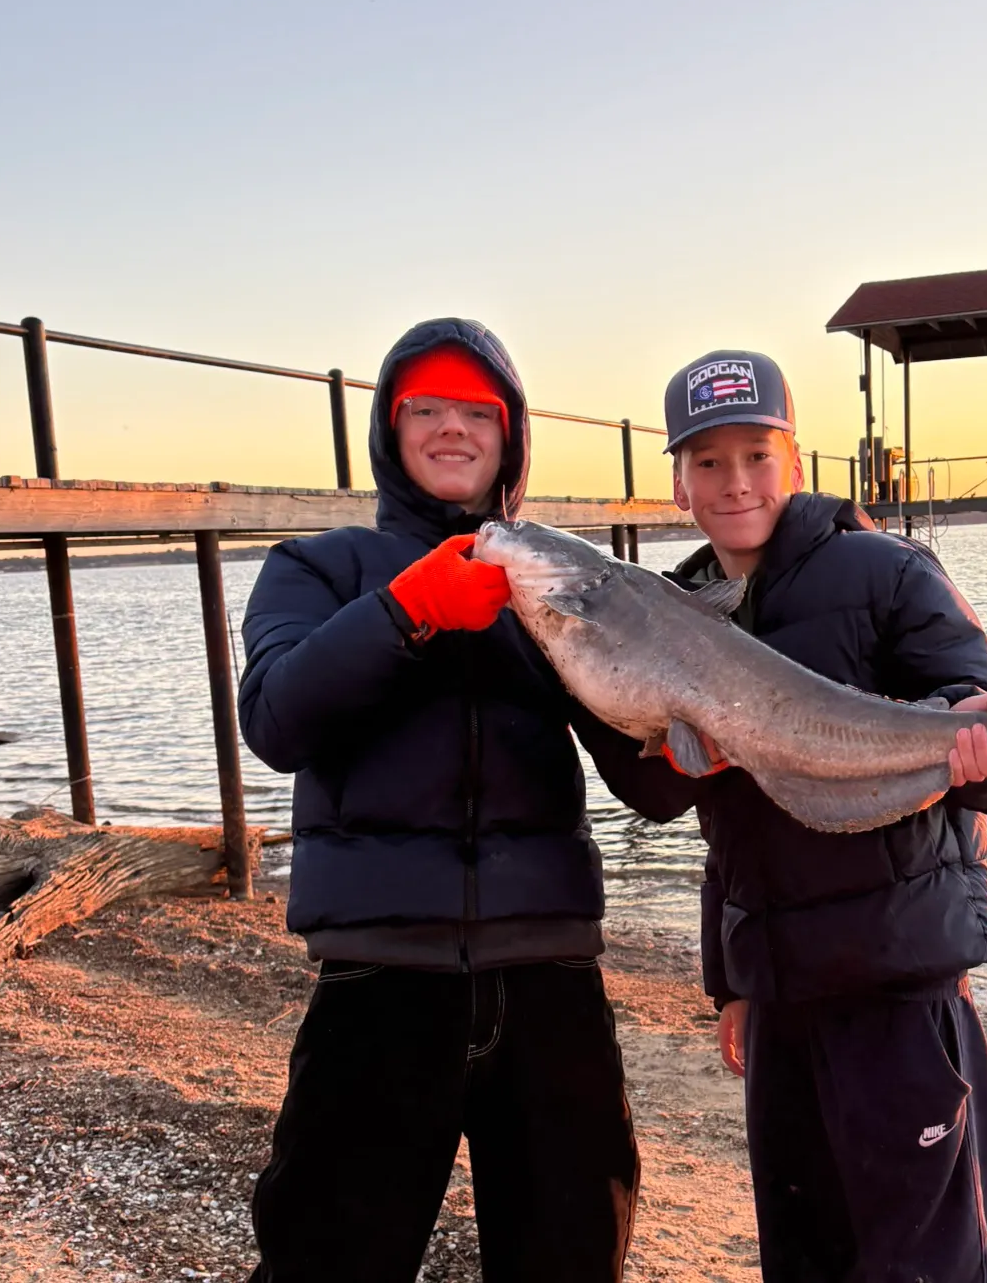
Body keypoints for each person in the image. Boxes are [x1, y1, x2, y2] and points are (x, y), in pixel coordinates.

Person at [585, 348, 987, 1283]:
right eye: (708, 462)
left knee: (925, 1264)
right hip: (781, 1001)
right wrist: (733, 979)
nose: (735, 481)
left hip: (898, 988)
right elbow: (701, 816)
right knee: (803, 1257)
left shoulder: (889, 571)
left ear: (796, 460)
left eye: (756, 454)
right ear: (678, 481)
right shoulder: (675, 611)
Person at [237, 318, 638, 1283]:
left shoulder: (560, 576)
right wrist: (406, 611)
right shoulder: (317, 569)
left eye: (478, 411)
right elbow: (276, 719)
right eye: (427, 407)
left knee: (574, 1257)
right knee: (326, 1260)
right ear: (389, 427)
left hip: (551, 976)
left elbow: (652, 786)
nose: (452, 428)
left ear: (509, 438)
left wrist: (693, 725)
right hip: (378, 979)